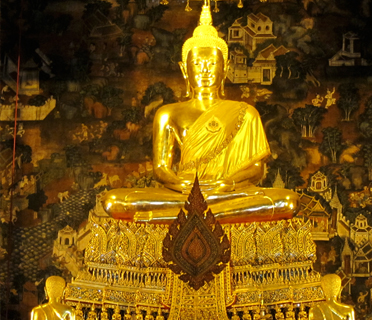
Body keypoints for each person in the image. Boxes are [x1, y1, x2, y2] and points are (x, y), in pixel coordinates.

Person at [103, 1, 299, 224]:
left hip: (228, 192)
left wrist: (228, 184)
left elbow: (256, 169)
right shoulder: (168, 113)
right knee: (115, 201)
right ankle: (205, 213)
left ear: (225, 68)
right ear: (184, 70)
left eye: (211, 62)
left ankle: (188, 216)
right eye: (197, 63)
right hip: (183, 192)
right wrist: (183, 186)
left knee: (286, 200)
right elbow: (161, 169)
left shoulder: (246, 113)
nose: (204, 69)